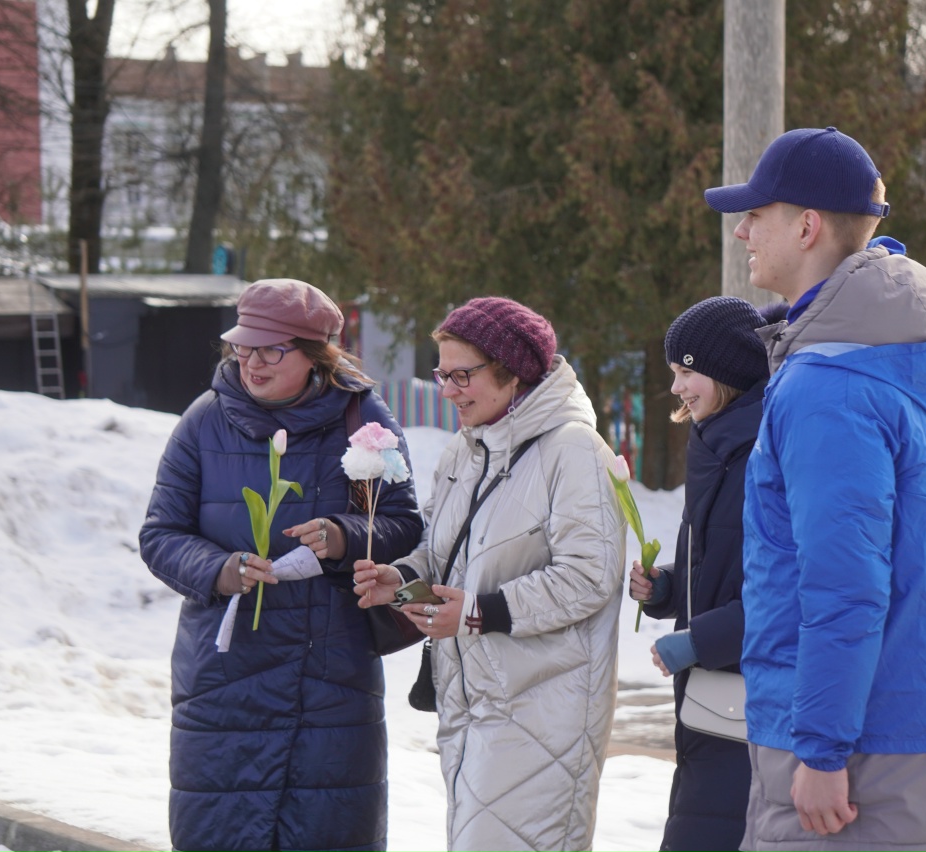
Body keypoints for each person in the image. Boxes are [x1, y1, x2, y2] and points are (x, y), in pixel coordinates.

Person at [703, 127, 926, 851]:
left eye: (757, 215)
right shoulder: (888, 364)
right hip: (923, 744)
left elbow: (843, 584)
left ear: (806, 226)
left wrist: (822, 752)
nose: (742, 231)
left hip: (860, 774)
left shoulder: (829, 388)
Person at [139, 278, 423, 852]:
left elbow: (404, 524)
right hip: (225, 681)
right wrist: (219, 569)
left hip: (330, 678)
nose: (253, 363)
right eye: (244, 348)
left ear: (316, 356)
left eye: (272, 350)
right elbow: (160, 535)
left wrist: (344, 535)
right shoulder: (203, 421)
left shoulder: (363, 420)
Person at [352, 296, 625, 852]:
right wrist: (400, 578)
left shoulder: (573, 451)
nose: (447, 390)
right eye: (441, 374)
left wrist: (480, 611)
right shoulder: (464, 450)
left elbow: (590, 576)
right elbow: (445, 554)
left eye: (461, 375)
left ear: (513, 372)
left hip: (544, 714)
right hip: (469, 705)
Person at [628, 295, 772, 852]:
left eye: (687, 370)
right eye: (673, 372)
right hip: (712, 698)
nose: (676, 387)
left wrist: (700, 641)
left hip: (747, 696)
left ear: (729, 371)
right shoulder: (716, 442)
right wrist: (666, 587)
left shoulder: (761, 452)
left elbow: (790, 590)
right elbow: (719, 564)